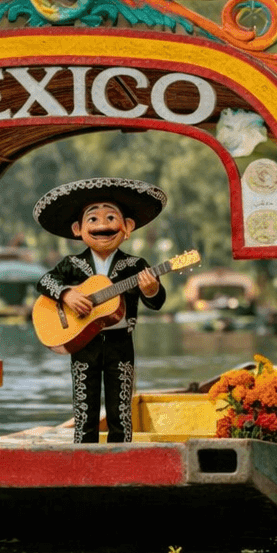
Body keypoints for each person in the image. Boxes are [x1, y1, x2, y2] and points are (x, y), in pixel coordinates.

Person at [33, 178, 168, 443]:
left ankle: (121, 456)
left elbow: (157, 302)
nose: (103, 226)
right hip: (83, 342)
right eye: (93, 219)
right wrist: (67, 294)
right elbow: (44, 281)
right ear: (78, 229)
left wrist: (151, 289)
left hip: (120, 343)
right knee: (85, 407)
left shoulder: (135, 265)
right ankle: (83, 456)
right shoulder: (72, 263)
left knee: (121, 409)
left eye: (111, 218)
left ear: (127, 227)